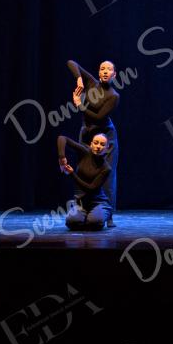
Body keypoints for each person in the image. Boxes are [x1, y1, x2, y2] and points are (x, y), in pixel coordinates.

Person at [68, 59, 120, 224]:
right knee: (84, 170)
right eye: (102, 68)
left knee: (107, 175)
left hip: (106, 135)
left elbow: (98, 117)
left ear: (114, 75)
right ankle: (82, 208)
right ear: (99, 72)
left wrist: (79, 104)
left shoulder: (113, 96)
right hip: (87, 134)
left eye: (109, 69)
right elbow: (71, 63)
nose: (105, 71)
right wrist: (79, 79)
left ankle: (107, 214)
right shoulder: (91, 83)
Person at [56, 133, 112, 231]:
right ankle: (87, 215)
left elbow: (91, 188)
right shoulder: (84, 152)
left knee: (94, 223)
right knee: (71, 223)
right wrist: (62, 157)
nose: (98, 146)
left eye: (102, 144)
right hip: (81, 202)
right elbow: (62, 138)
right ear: (91, 144)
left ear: (107, 148)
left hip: (97, 202)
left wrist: (72, 174)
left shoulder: (106, 168)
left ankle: (106, 211)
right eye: (96, 143)